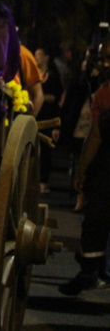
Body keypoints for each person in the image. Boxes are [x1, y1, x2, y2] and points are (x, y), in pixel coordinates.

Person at [59, 38, 110, 296]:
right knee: (96, 215)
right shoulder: (102, 93)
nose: (105, 64)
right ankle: (91, 270)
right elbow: (96, 134)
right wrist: (82, 170)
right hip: (106, 162)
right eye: (103, 58)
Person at [35, 45, 64, 193]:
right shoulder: (34, 73)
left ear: (46, 57)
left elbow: (56, 96)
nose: (36, 58)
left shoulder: (52, 75)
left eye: (39, 55)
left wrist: (40, 97)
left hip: (48, 115)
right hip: (36, 114)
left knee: (45, 149)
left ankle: (43, 181)